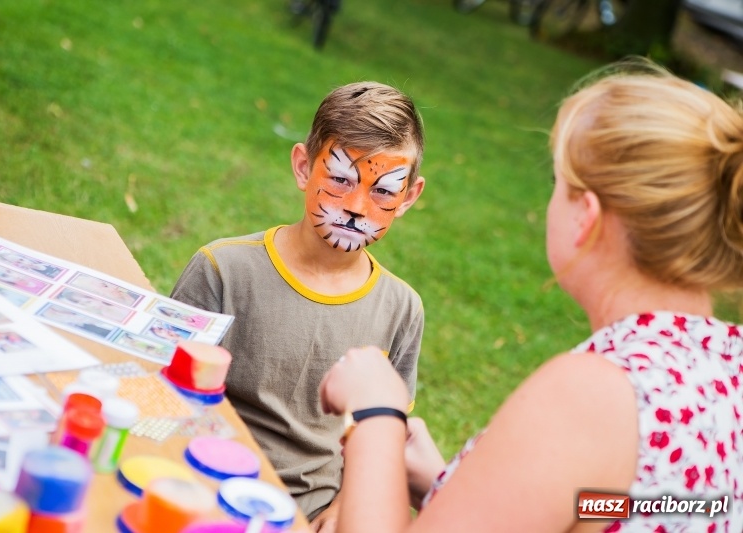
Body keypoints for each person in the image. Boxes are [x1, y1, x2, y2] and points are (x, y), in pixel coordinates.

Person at [318, 60, 743, 532]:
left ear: (588, 216)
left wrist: (376, 416)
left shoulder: (593, 395)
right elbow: (646, 507)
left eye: (556, 183)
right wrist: (452, 485)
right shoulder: (728, 366)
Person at [171, 81, 426, 528]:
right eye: (341, 179)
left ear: (409, 196)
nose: (357, 207)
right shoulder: (223, 270)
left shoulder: (402, 309)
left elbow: (383, 434)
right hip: (211, 493)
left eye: (383, 190)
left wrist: (346, 503)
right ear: (304, 167)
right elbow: (164, 398)